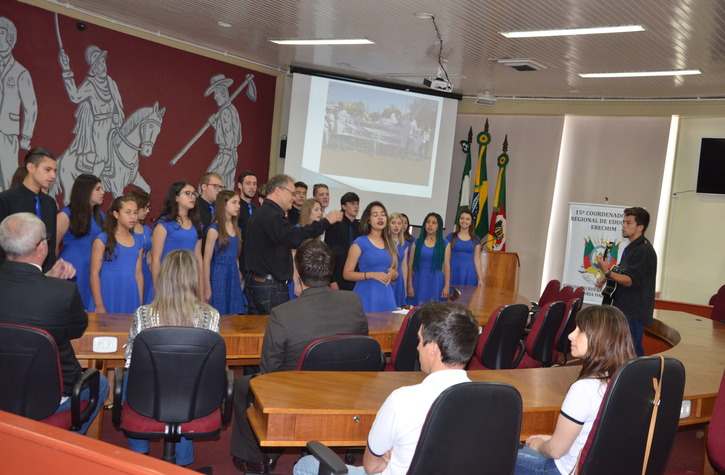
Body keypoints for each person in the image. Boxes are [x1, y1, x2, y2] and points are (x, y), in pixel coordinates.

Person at [293, 301, 479, 475]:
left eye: (419, 339)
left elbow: (371, 467)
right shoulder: (487, 402)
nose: (417, 347)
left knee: (306, 465)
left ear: (433, 348)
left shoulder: (402, 400)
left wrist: (384, 462)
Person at [231, 238, 369, 473]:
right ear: (330, 269)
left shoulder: (282, 314)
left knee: (243, 386)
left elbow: (269, 374)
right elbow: (363, 349)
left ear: (297, 271)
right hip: (346, 393)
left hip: (296, 398)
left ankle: (258, 459)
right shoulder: (353, 301)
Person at [0, 213, 107, 434]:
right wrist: (49, 283)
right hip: (49, 399)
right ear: (42, 247)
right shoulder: (63, 292)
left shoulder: (59, 291)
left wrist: (47, 278)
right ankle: (58, 448)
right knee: (101, 383)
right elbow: (76, 329)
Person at [124, 249, 220, 466]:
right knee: (191, 384)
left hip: (147, 399)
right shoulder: (211, 316)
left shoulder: (143, 314)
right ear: (194, 278)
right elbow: (210, 368)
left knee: (130, 376)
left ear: (163, 277)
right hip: (193, 400)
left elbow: (131, 359)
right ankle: (182, 461)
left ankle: (139, 453)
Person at [514, 305, 636, 474]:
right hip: (602, 467)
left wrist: (538, 445)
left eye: (580, 330)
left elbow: (555, 451)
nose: (571, 335)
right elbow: (590, 435)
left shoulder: (584, 388)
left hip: (565, 470)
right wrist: (550, 440)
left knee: (493, 453)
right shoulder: (627, 380)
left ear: (600, 338)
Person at [243, 174, 342, 315]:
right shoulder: (271, 216)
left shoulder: (260, 213)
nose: (294, 198)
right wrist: (326, 222)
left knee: (259, 327)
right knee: (279, 326)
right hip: (269, 287)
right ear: (278, 191)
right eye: (292, 193)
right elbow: (295, 237)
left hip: (256, 283)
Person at [596, 207, 657, 357]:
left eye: (629, 223)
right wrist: (607, 277)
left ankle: (637, 374)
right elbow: (623, 272)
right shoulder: (632, 248)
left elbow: (630, 280)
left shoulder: (643, 250)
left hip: (632, 312)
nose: (623, 225)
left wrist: (607, 272)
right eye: (623, 222)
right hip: (624, 309)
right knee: (620, 352)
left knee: (631, 353)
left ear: (640, 227)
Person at [59, 45, 124, 178]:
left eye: (103, 62)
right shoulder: (90, 83)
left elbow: (118, 106)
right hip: (99, 126)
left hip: (113, 125)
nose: (102, 66)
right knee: (102, 159)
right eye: (98, 64)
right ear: (93, 68)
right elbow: (74, 96)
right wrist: (66, 69)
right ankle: (92, 183)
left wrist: (117, 116)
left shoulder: (111, 83)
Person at [0, 147, 58, 271]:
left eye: (54, 171)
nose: (53, 176)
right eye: (47, 169)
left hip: (45, 274)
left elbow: (51, 243)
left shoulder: (50, 203)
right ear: (31, 167)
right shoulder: (6, 200)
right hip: (13, 274)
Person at [56, 173, 105, 309]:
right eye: (98, 189)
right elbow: (53, 245)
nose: (103, 192)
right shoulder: (66, 215)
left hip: (94, 268)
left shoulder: (101, 216)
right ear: (85, 191)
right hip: (72, 269)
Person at [0, 16, 37, 191]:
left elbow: (31, 106)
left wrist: (26, 136)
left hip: (7, 131)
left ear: (10, 38)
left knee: (8, 176)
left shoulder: (20, 72)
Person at [89, 196, 143, 313]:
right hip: (108, 292)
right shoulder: (102, 239)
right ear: (116, 214)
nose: (133, 217)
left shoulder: (138, 241)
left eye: (135, 213)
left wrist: (139, 303)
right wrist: (99, 305)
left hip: (129, 293)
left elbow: (138, 274)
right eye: (128, 212)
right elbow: (94, 274)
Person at [343, 201, 398, 312]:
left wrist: (393, 274)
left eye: (383, 214)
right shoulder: (360, 243)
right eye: (375, 215)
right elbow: (347, 274)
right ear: (368, 220)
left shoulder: (392, 244)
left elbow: (396, 273)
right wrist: (372, 275)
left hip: (386, 295)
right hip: (366, 294)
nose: (380, 217)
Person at [150, 181, 203, 291]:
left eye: (194, 193)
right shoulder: (164, 225)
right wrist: (158, 288)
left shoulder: (197, 225)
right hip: (168, 282)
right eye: (187, 193)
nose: (192, 197)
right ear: (176, 197)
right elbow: (155, 259)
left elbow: (198, 258)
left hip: (189, 281)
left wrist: (201, 288)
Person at [203, 190, 244, 314]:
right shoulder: (214, 230)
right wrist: (207, 287)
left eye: (239, 203)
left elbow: (236, 256)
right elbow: (206, 260)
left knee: (234, 312)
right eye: (234, 202)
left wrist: (238, 271)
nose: (238, 206)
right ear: (224, 205)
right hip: (218, 275)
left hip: (233, 275)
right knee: (219, 311)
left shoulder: (237, 229)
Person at [204, 74, 242, 189]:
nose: (215, 97)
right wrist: (214, 124)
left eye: (216, 93)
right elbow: (227, 133)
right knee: (225, 188)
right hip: (230, 155)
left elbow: (229, 143)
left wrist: (222, 166)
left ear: (223, 92)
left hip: (226, 155)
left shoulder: (225, 112)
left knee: (209, 185)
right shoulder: (231, 109)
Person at [408, 212, 449, 305]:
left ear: (439, 226)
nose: (430, 225)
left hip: (436, 281)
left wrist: (446, 286)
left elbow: (446, 266)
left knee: (435, 310)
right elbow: (410, 265)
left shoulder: (445, 244)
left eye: (434, 223)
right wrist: (410, 286)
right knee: (418, 309)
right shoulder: (417, 243)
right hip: (419, 280)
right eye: (428, 222)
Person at [325, 191, 361, 290]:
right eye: (352, 203)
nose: (356, 206)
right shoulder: (335, 225)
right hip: (338, 275)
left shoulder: (360, 227)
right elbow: (328, 253)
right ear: (344, 206)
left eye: (357, 203)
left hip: (357, 275)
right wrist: (332, 280)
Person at [289, 198, 324, 298]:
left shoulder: (316, 234)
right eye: (316, 210)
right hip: (299, 281)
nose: (320, 213)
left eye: (320, 210)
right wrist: (297, 283)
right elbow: (293, 259)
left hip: (312, 281)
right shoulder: (298, 231)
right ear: (307, 212)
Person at [444, 209, 483, 288]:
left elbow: (477, 259)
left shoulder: (476, 239)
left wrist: (480, 279)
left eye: (467, 219)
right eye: (462, 218)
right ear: (459, 220)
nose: (464, 221)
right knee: (451, 294)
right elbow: (445, 258)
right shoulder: (450, 237)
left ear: (471, 222)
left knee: (468, 294)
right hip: (453, 270)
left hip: (469, 272)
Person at [128, 189, 154, 304]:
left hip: (145, 273)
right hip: (129, 272)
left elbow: (150, 256)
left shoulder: (147, 230)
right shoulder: (124, 229)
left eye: (149, 207)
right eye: (145, 207)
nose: (147, 211)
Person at [236, 170, 257, 277]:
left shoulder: (256, 209)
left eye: (254, 184)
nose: (252, 187)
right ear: (240, 185)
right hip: (239, 263)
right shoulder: (235, 208)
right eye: (248, 183)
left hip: (253, 265)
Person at [389, 212, 411, 308]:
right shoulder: (384, 241)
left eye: (399, 223)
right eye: (393, 223)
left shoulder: (404, 244)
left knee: (397, 309)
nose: (396, 226)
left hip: (399, 280)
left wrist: (405, 288)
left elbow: (404, 266)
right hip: (387, 277)